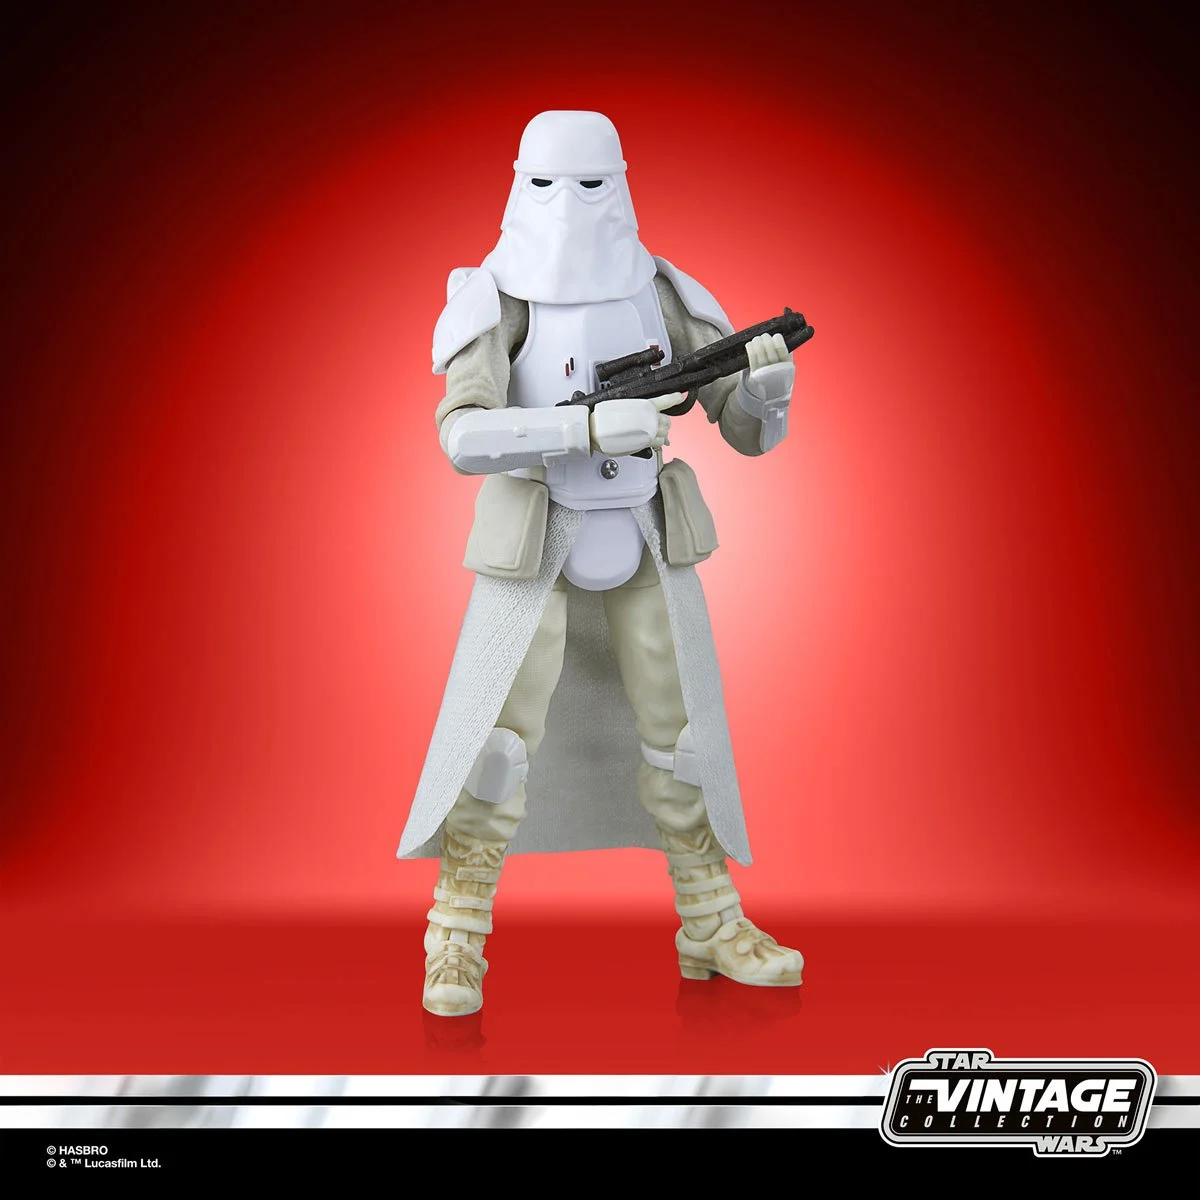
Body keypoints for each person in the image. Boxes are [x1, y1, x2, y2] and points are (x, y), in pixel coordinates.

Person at [398, 110, 804, 1016]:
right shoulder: (496, 296)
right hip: (536, 537)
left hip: (645, 532)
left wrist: (767, 396)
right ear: (521, 184)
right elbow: (462, 434)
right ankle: (455, 932)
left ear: (620, 184)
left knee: (684, 737)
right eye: (550, 183)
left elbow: (740, 427)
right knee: (496, 743)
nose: (571, 203)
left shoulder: (660, 291)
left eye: (590, 183)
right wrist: (581, 426)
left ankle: (710, 920)